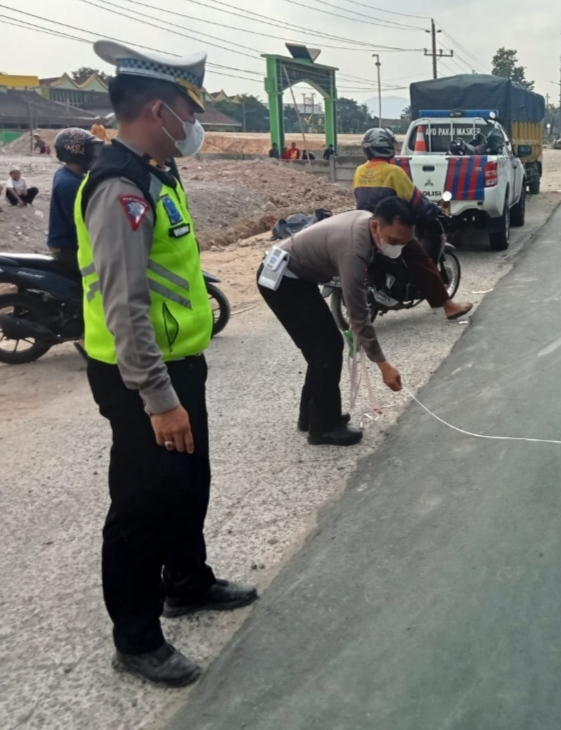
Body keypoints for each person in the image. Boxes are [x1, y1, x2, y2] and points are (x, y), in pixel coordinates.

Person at [76, 39, 256, 687]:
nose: (196, 123)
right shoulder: (119, 187)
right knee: (141, 503)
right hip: (139, 378)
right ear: (161, 109)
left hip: (179, 362)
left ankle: (186, 581)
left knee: (187, 482)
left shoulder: (157, 171)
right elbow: (124, 306)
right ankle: (136, 637)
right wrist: (158, 397)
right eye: (190, 108)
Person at [256, 197, 413, 445]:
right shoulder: (353, 249)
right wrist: (383, 364)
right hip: (281, 282)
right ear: (376, 227)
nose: (396, 247)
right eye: (393, 240)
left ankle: (312, 415)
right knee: (325, 350)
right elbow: (358, 314)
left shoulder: (366, 220)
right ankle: (322, 428)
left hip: (296, 276)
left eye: (403, 242)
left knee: (325, 347)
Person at [353, 127, 472, 320]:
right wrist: (434, 211)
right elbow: (416, 201)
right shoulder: (394, 172)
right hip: (389, 230)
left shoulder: (360, 171)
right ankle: (449, 306)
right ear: (386, 148)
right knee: (421, 260)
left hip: (365, 227)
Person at [47, 128, 100, 274]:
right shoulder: (69, 184)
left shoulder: (67, 174)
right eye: (91, 150)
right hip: (69, 249)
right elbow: (79, 221)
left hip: (68, 245)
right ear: (81, 152)